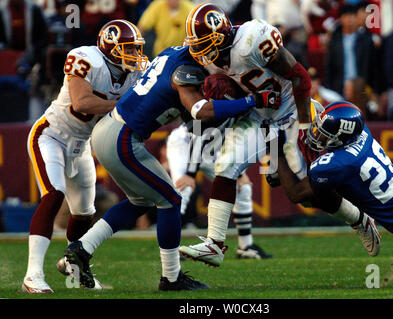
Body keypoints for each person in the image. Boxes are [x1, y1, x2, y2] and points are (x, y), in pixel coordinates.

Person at [61, 43, 282, 289]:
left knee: (141, 201)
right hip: (122, 136)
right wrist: (252, 100)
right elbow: (200, 110)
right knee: (171, 201)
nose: (220, 59)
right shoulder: (185, 69)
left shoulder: (173, 53)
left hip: (112, 131)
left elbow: (191, 118)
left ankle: (81, 248)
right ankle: (172, 278)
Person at [179, 3, 380, 267]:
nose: (202, 52)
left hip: (290, 111)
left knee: (302, 192)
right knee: (226, 166)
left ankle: (359, 218)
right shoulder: (209, 55)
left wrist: (306, 128)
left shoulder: (252, 39)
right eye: (198, 44)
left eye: (206, 44)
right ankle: (214, 245)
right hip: (258, 116)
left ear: (221, 35)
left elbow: (300, 78)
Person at [22, 19, 148, 294]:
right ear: (110, 47)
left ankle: (75, 268)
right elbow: (82, 102)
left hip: (81, 144)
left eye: (137, 49)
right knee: (54, 195)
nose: (135, 56)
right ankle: (32, 274)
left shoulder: (134, 73)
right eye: (129, 49)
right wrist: (123, 106)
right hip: (51, 135)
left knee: (84, 213)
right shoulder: (86, 58)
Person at [276, 101, 393, 264]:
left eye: (325, 133)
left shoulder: (340, 164)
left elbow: (297, 192)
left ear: (341, 136)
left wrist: (277, 153)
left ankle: (358, 221)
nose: (317, 134)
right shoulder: (361, 131)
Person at [166, 121, 273, 259]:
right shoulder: (232, 103)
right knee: (182, 190)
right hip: (186, 142)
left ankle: (245, 246)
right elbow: (201, 129)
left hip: (211, 147)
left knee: (242, 188)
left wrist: (239, 174)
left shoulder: (250, 116)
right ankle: (171, 250)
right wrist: (190, 174)